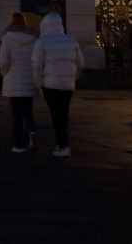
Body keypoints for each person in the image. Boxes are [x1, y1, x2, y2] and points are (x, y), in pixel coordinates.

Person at [32, 12, 84, 158]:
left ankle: (63, 144)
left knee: (56, 115)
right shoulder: (72, 41)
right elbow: (81, 63)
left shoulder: (42, 42)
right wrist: (73, 78)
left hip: (50, 84)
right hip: (67, 85)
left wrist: (38, 84)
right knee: (63, 113)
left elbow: (36, 66)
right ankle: (62, 143)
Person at [0, 13, 39, 153]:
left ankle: (18, 144)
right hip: (29, 80)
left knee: (16, 113)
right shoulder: (33, 39)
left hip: (13, 78)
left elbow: (3, 61)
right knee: (28, 110)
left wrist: (5, 75)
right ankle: (32, 131)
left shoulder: (7, 38)